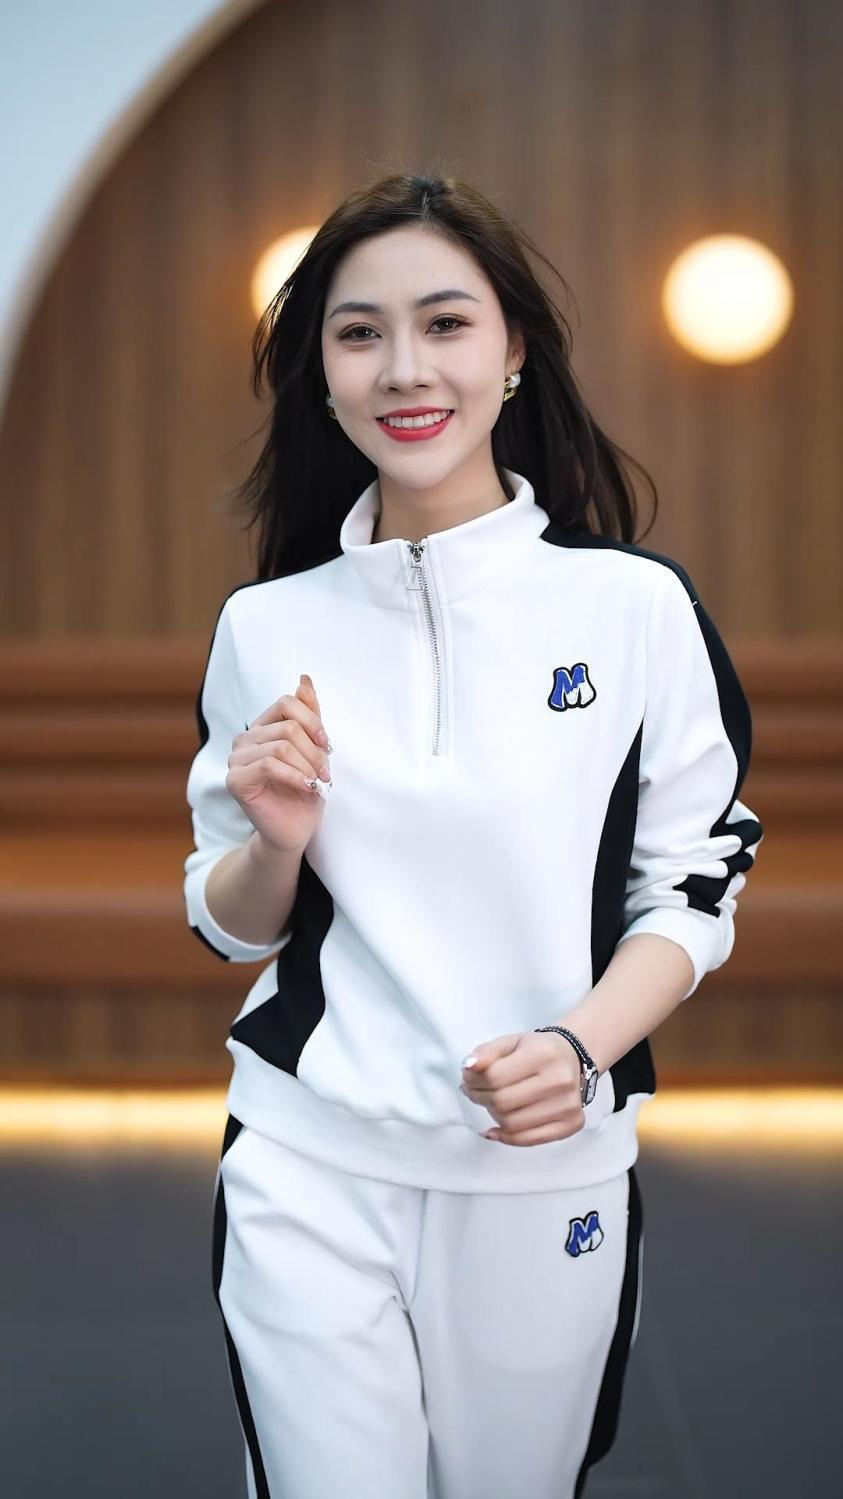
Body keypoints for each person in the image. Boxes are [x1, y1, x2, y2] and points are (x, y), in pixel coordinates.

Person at [184, 170, 764, 1499]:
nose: (404, 367)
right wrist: (274, 843)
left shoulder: (633, 608)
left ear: (514, 353)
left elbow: (695, 880)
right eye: (359, 333)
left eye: (445, 323)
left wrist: (581, 1048)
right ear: (324, 378)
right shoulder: (264, 627)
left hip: (544, 1173)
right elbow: (226, 923)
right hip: (306, 1160)